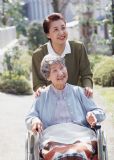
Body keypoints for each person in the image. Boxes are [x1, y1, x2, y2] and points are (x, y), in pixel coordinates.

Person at [26, 55, 106, 160]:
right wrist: (35, 120)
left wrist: (93, 115)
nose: (60, 73)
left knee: (82, 151)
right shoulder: (42, 95)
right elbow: (30, 117)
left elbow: (100, 112)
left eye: (62, 67)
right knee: (55, 154)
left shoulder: (79, 92)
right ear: (48, 76)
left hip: (81, 136)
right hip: (52, 137)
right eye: (54, 70)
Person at [32, 12, 93, 97]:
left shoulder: (78, 48)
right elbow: (38, 82)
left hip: (76, 98)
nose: (61, 32)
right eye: (56, 29)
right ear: (48, 34)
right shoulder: (38, 54)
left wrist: (87, 87)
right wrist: (40, 89)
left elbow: (86, 74)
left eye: (63, 28)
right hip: (51, 100)